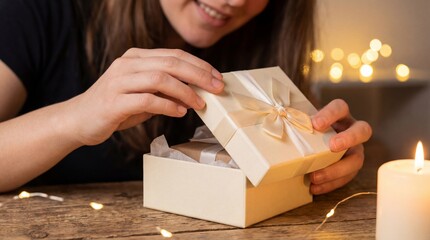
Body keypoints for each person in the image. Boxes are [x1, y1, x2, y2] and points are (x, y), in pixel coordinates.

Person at [0, 0, 372, 194]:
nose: (232, 1)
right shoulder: (38, 12)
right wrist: (75, 118)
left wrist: (321, 151)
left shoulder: (261, 41)